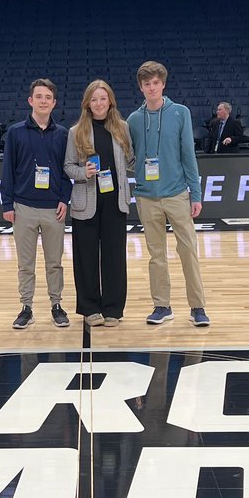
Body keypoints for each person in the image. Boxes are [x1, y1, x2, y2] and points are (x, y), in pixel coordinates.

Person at [126, 60, 209, 327]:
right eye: (147, 84)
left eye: (156, 83)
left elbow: (188, 155)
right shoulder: (134, 120)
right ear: (141, 87)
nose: (152, 88)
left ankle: (197, 307)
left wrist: (195, 194)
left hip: (176, 194)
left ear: (163, 84)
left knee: (188, 251)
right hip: (146, 196)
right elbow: (130, 157)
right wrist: (138, 172)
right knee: (156, 254)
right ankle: (162, 305)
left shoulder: (180, 112)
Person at [1, 79, 71, 330]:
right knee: (26, 263)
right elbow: (7, 169)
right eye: (38, 96)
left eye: (47, 97)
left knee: (55, 262)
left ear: (54, 103)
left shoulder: (63, 134)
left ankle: (56, 305)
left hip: (54, 208)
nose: (43, 101)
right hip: (23, 207)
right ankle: (26, 307)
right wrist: (7, 203)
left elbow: (67, 171)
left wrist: (65, 198)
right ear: (30, 101)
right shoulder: (15, 132)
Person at [65, 79, 134, 328]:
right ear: (87, 103)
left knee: (115, 257)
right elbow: (68, 167)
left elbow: (132, 161)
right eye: (94, 99)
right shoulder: (76, 132)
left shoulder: (122, 128)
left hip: (116, 202)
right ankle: (90, 308)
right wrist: (84, 172)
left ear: (110, 101)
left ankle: (113, 309)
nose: (98, 103)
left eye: (103, 98)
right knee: (86, 257)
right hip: (87, 202)